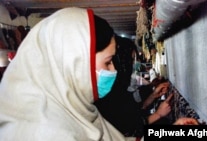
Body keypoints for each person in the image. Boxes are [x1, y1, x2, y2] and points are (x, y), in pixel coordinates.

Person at [0, 7, 140, 141]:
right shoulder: (43, 133)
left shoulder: (74, 108)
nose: (114, 70)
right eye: (108, 62)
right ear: (75, 64)